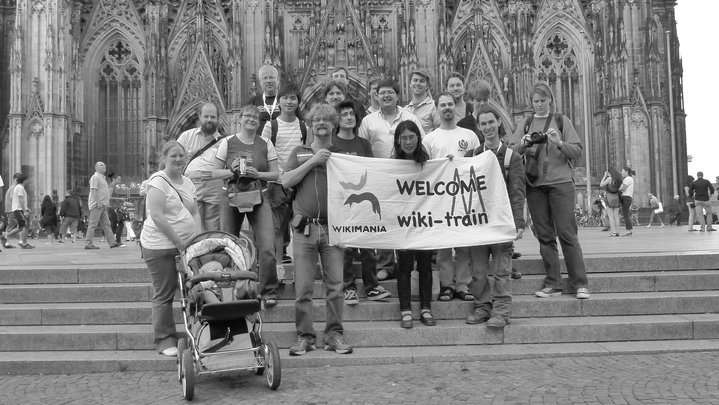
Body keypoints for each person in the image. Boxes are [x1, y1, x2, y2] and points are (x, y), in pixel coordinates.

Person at [282, 103, 353, 356]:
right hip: (305, 230)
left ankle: (334, 335)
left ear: (334, 125)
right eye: (316, 120)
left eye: (326, 119)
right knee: (303, 288)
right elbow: (286, 181)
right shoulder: (300, 152)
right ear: (310, 126)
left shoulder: (342, 155)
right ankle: (305, 336)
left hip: (334, 230)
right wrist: (313, 160)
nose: (321, 123)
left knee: (336, 287)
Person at [509, 81, 589, 299]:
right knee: (544, 236)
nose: (539, 104)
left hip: (561, 184)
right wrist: (524, 144)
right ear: (531, 102)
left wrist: (559, 142)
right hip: (535, 186)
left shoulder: (562, 121)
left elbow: (577, 151)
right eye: (536, 101)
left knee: (567, 234)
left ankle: (579, 283)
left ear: (550, 100)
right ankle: (553, 282)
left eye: (543, 100)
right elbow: (511, 151)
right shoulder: (526, 123)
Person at [464, 105, 525, 328]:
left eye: (491, 122)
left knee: (501, 271)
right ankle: (482, 307)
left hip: (501, 223)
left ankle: (501, 311)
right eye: (483, 124)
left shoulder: (512, 157)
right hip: (479, 224)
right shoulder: (471, 156)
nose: (488, 127)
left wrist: (518, 223)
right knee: (478, 271)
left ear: (499, 122)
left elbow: (518, 192)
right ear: (479, 127)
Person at [213, 105, 280, 306]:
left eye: (255, 117)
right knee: (228, 245)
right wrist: (231, 171)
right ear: (239, 119)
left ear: (258, 122)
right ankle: (231, 289)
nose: (251, 119)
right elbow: (215, 173)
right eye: (247, 116)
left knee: (267, 246)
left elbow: (276, 174)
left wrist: (257, 174)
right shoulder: (227, 142)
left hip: (259, 197)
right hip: (231, 197)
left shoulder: (266, 143)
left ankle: (267, 290)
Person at [358, 78, 424, 280]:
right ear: (376, 96)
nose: (386, 96)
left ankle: (409, 260)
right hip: (379, 178)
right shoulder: (368, 120)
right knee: (383, 219)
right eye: (382, 93)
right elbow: (362, 147)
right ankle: (385, 264)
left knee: (407, 218)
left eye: (390, 92)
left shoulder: (411, 117)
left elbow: (423, 143)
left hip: (407, 178)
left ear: (397, 95)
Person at [141, 140, 200, 356]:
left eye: (181, 156)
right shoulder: (158, 182)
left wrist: (200, 238)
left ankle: (196, 333)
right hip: (160, 246)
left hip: (186, 246)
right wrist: (178, 241)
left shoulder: (187, 182)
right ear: (163, 158)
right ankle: (164, 339)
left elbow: (194, 211)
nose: (178, 159)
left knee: (193, 289)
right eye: (173, 155)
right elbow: (156, 215)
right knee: (164, 293)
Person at [331, 100, 391, 305]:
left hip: (364, 200)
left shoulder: (363, 143)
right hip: (342, 202)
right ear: (337, 120)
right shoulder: (332, 144)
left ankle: (372, 286)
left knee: (367, 245)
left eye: (351, 114)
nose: (349, 117)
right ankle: (348, 288)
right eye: (344, 114)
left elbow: (370, 169)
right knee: (346, 248)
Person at [423, 92, 480, 302]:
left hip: (464, 197)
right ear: (437, 109)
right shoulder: (429, 139)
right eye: (442, 105)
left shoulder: (469, 135)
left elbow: (477, 164)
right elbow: (425, 170)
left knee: (464, 245)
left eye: (450, 104)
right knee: (443, 246)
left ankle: (463, 285)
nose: (447, 108)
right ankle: (447, 285)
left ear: (455, 108)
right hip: (440, 199)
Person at [392, 120, 435, 328]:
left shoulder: (431, 164)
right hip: (403, 224)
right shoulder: (391, 165)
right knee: (404, 267)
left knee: (425, 267)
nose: (408, 142)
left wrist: (451, 163)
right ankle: (406, 309)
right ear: (398, 141)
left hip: (425, 223)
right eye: (404, 138)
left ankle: (426, 308)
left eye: (412, 137)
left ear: (418, 139)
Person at [260, 83, 308, 270]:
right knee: (277, 230)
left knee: (300, 227)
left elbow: (305, 154)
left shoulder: (304, 127)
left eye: (293, 98)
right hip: (276, 185)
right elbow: (265, 154)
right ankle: (278, 269)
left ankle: (300, 270)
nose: (289, 101)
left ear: (298, 102)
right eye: (285, 97)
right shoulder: (270, 126)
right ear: (279, 101)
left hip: (297, 184)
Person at [177, 102, 225, 232]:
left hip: (214, 185)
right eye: (206, 116)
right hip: (191, 185)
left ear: (218, 118)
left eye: (213, 117)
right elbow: (173, 158)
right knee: (191, 226)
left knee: (214, 227)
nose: (209, 119)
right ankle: (193, 251)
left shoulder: (224, 141)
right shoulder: (186, 136)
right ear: (199, 117)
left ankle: (212, 251)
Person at [85, 162, 121, 249]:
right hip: (97, 205)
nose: (104, 166)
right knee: (93, 224)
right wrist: (97, 202)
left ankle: (112, 243)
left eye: (105, 165)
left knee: (107, 224)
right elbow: (93, 190)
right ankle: (88, 243)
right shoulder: (95, 177)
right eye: (101, 165)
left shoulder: (102, 178)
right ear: (96, 167)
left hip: (103, 205)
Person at [404, 68, 440, 134]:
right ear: (410, 84)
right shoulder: (405, 110)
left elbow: (439, 132)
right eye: (415, 80)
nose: (418, 83)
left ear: (427, 86)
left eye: (422, 81)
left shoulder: (434, 107)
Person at [249, 64, 282, 135]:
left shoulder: (285, 100)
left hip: (281, 142)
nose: (269, 81)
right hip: (259, 142)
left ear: (278, 80)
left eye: (271, 77)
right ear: (260, 82)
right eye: (265, 78)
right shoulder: (253, 101)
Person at [457, 78, 492, 144]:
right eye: (478, 100)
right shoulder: (462, 124)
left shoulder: (494, 120)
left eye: (485, 100)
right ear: (472, 100)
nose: (482, 103)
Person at [10, 173, 34, 249]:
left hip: (19, 209)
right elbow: (20, 200)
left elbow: (21, 200)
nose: (28, 181)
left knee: (22, 227)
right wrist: (24, 211)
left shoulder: (19, 187)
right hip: (19, 209)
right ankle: (24, 243)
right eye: (27, 179)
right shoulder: (20, 187)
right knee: (25, 226)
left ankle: (6, 235)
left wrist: (26, 208)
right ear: (24, 180)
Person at [600, 167, 622, 236]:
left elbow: (601, 185)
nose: (607, 173)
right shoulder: (618, 179)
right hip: (616, 197)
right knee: (616, 216)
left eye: (608, 172)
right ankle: (617, 232)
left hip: (609, 197)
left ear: (610, 172)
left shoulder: (609, 179)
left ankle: (614, 232)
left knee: (610, 216)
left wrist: (604, 176)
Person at [2, 173, 20, 249]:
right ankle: (5, 235)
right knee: (22, 226)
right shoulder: (14, 187)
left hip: (9, 210)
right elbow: (13, 198)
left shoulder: (12, 187)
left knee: (10, 226)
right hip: (12, 210)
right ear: (16, 179)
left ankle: (6, 243)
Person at [619, 167, 635, 236]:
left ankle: (629, 230)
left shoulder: (627, 179)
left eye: (622, 171)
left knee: (626, 214)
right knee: (626, 214)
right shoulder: (629, 179)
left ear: (626, 172)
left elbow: (623, 188)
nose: (621, 172)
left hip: (626, 197)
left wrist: (616, 188)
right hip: (627, 197)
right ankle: (629, 229)